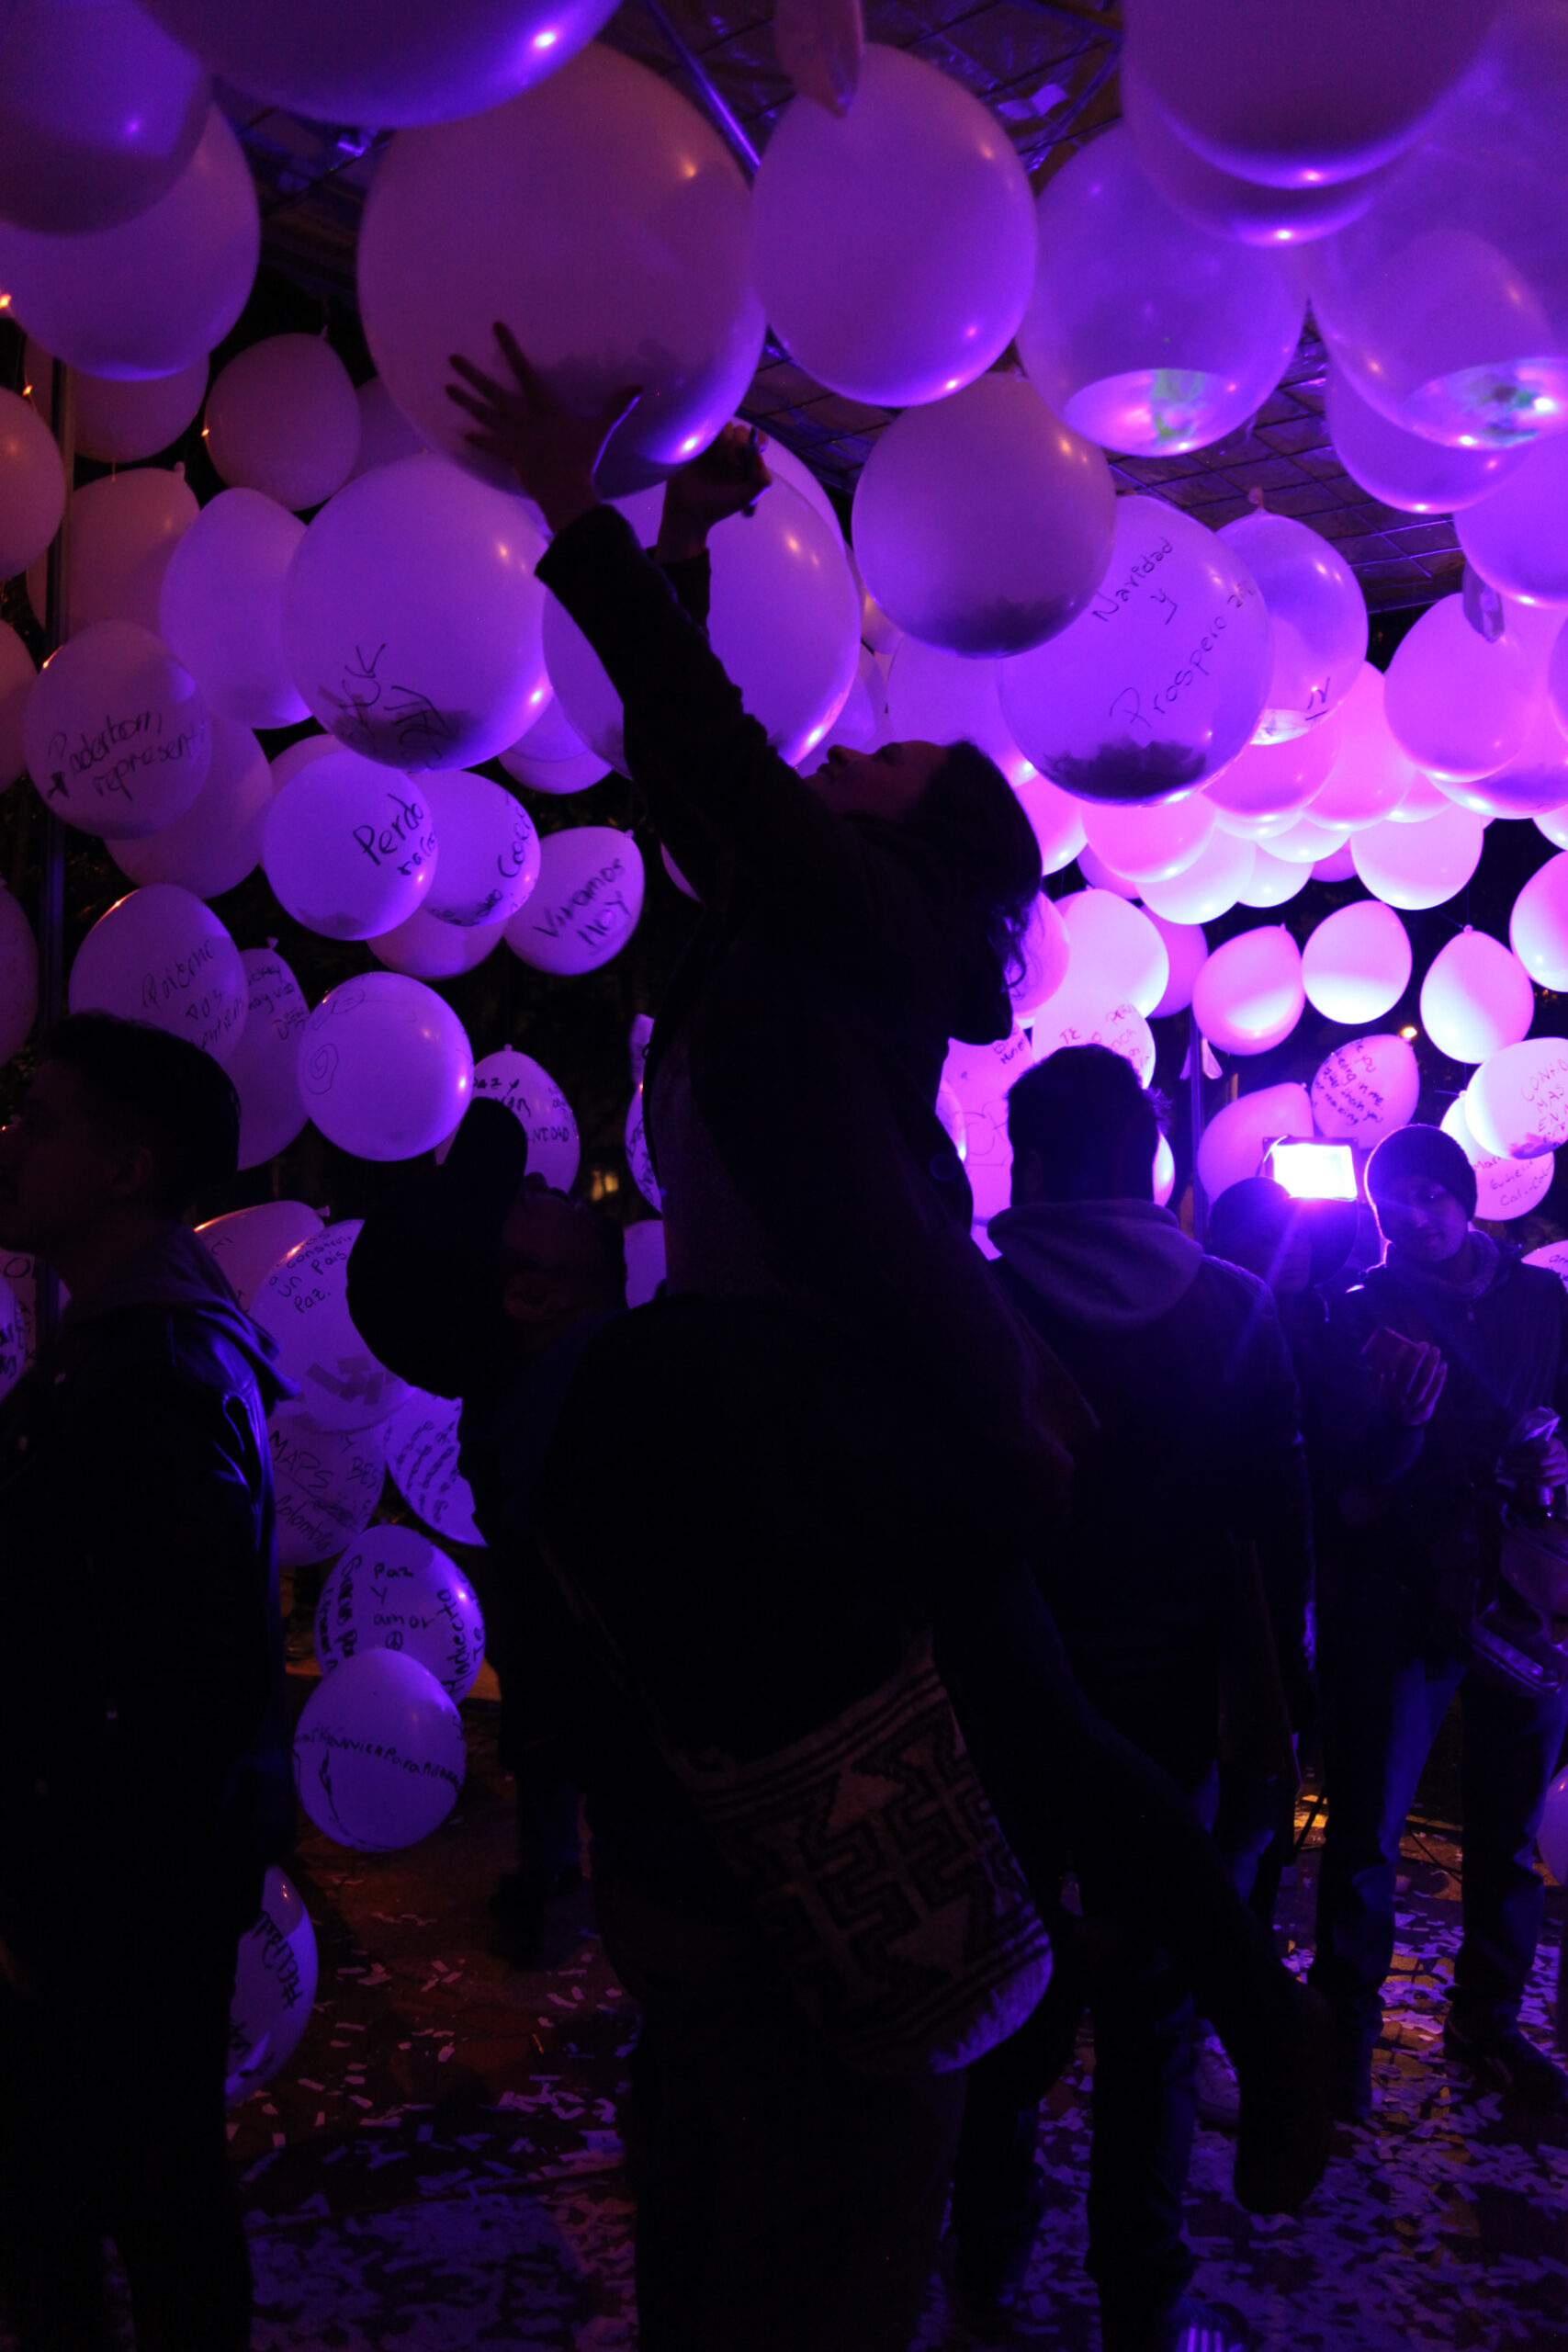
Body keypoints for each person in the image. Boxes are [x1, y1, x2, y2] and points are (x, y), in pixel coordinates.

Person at [446, 337, 1331, 2225]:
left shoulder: (878, 924)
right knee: (1032, 1734)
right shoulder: (798, 929)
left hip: (869, 1401)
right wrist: (678, 545)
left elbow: (712, 768)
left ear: (918, 847)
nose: (844, 745)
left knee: (1041, 1737)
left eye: (880, 758)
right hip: (828, 1392)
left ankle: (1230, 2031)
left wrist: (583, 509)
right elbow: (696, 789)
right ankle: (1205, 2030)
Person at [347, 1102, 1021, 2352]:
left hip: (662, 1860)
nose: (561, 1189)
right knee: (827, 2215)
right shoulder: (653, 1384)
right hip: (779, 1877)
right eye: (524, 1201)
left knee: (710, 2170)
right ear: (529, 1296)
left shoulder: (534, 1421)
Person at [950, 1046, 1314, 2352]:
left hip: (1002, 1710)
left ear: (1036, 1163)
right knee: (1156, 2011)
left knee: (998, 1986)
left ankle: (984, 2261)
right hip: (1174, 1716)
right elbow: (1277, 1539)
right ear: (1146, 1163)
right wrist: (1279, 1713)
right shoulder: (1232, 1307)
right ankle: (1142, 2300)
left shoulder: (977, 1309)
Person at [0, 1013, 293, 2351]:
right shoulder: (135, 1342)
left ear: (125, 1168)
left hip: (118, 1885)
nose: (9, 1144)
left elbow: (188, 1681)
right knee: (121, 2179)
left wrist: (65, 1890)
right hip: (123, 1873)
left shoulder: (149, 1369)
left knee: (131, 2190)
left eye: (38, 1121)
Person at [1311, 1121, 1568, 2120]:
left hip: (1522, 1586)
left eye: (1429, 1193)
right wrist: (1404, 1430)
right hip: (1403, 1588)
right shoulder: (1357, 1309)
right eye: (1395, 1200)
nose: (1415, 1215)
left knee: (1507, 1830)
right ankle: (1343, 2035)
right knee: (1366, 1830)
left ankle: (1487, 2025)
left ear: (1464, 1195)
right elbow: (1349, 1473)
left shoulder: (1542, 1300)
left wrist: (1557, 1454)